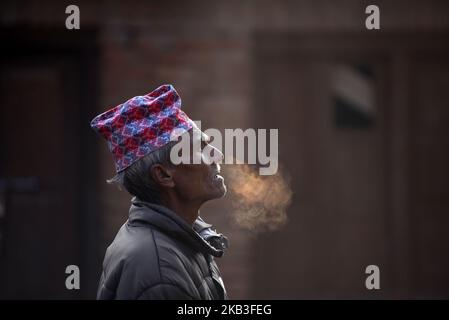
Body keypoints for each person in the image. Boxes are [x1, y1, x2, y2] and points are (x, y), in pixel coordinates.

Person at [90, 84, 228, 300]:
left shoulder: (180, 238)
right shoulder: (158, 268)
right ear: (164, 175)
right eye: (200, 148)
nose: (217, 155)